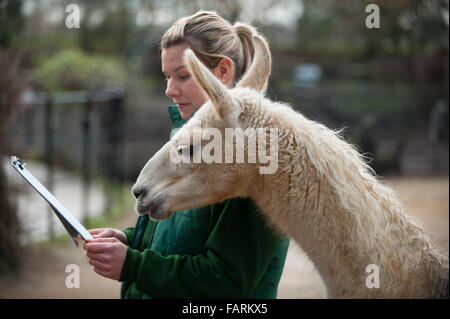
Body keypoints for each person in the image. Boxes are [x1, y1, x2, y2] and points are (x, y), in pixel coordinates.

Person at [83, 10, 290, 299]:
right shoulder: (188, 140)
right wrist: (130, 241)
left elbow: (226, 280)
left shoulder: (255, 158)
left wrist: (134, 266)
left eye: (182, 76)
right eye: (167, 77)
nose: (169, 90)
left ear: (222, 72)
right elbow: (175, 237)